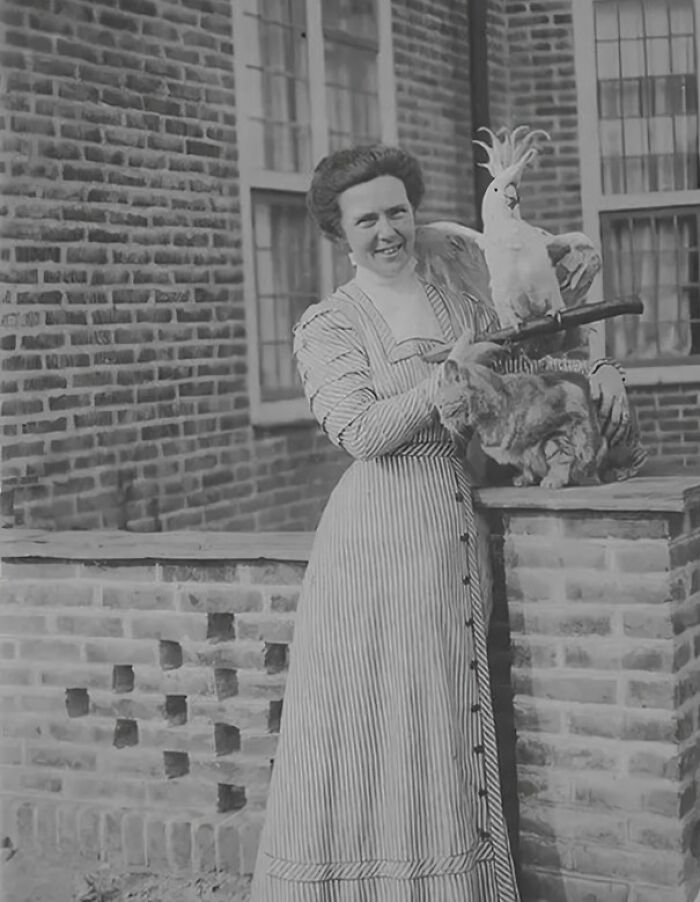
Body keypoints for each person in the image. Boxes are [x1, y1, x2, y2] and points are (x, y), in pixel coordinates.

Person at [250, 144, 632, 901]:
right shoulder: (329, 324)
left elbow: (532, 364)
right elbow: (359, 432)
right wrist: (448, 376)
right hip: (375, 536)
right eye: (368, 219)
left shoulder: (461, 300)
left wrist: (598, 370)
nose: (388, 230)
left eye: (398, 210)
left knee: (441, 719)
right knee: (368, 722)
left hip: (453, 523)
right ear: (339, 231)